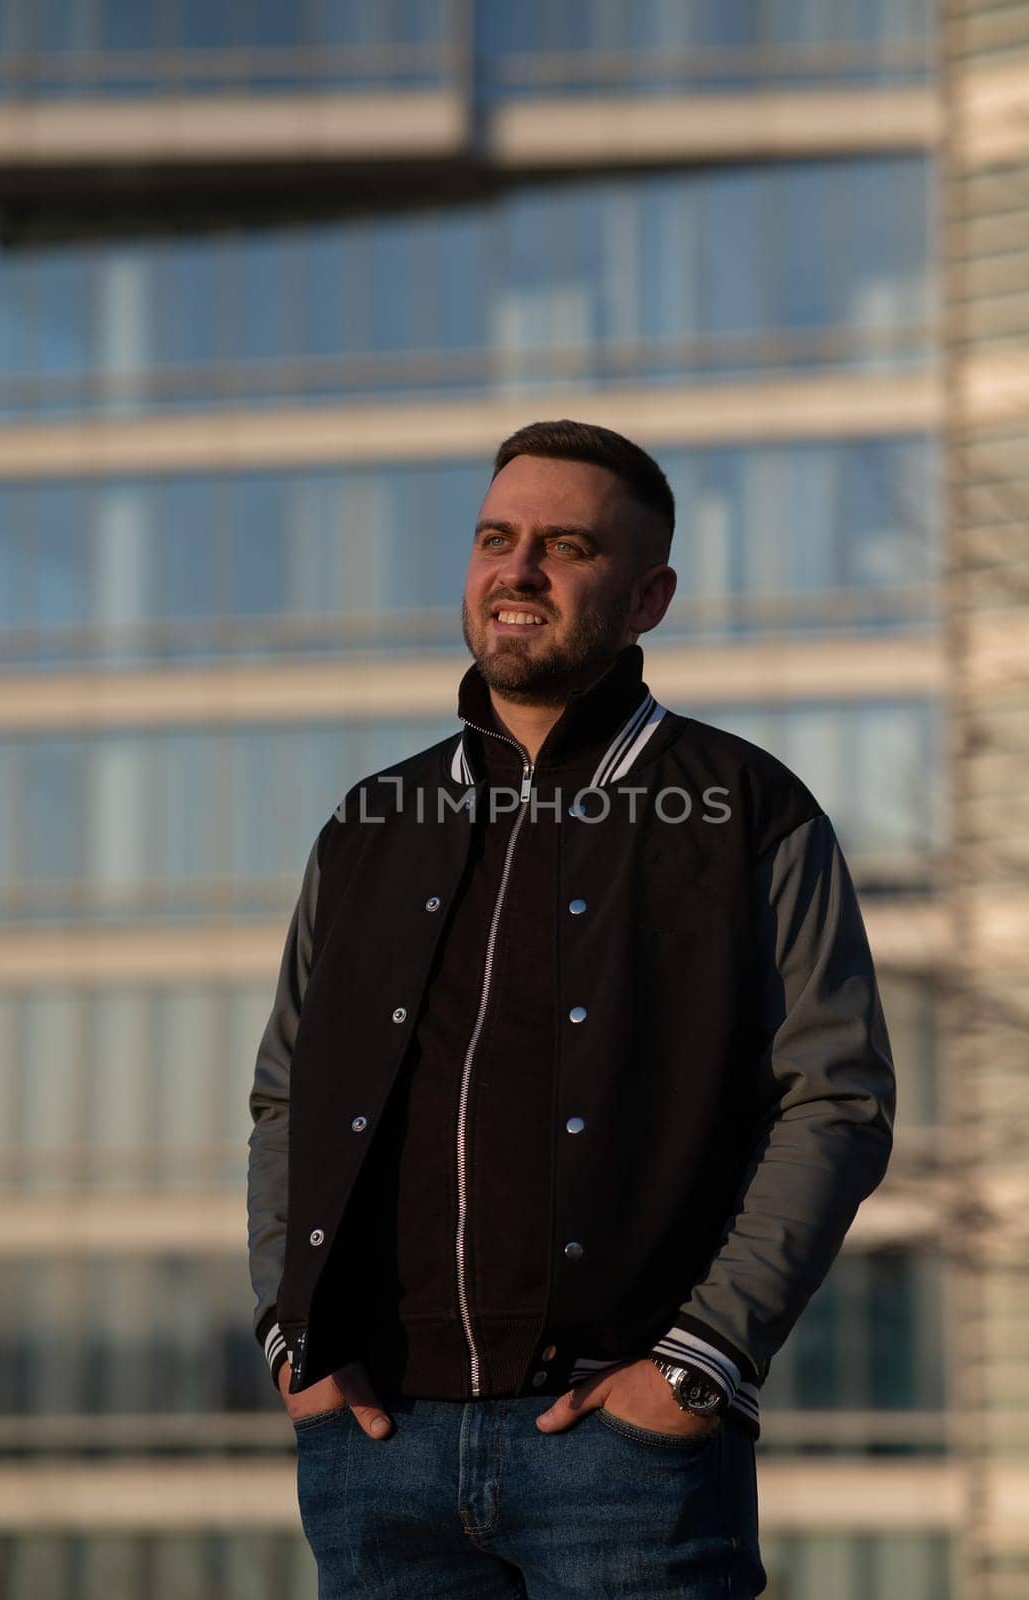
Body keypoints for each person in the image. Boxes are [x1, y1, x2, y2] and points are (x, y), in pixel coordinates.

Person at [247, 419, 896, 1598]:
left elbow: (836, 1100)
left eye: (563, 546)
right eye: (496, 538)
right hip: (375, 1448)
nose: (517, 571)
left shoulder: (748, 809)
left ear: (648, 596)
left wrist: (694, 1369)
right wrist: (293, 1340)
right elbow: (287, 1092)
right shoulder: (366, 823)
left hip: (622, 1449)